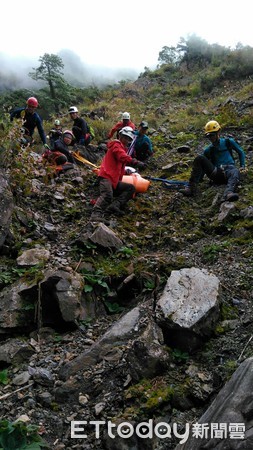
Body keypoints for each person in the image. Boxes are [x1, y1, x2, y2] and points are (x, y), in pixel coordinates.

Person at [179, 120, 246, 202]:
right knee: (200, 158)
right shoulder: (208, 150)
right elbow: (203, 166)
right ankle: (191, 187)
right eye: (208, 136)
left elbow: (241, 152)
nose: (210, 138)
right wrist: (199, 178)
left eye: (212, 135)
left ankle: (228, 193)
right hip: (216, 172)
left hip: (230, 170)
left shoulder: (228, 142)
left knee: (235, 171)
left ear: (218, 132)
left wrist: (242, 166)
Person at [90, 126, 145, 223]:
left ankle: (115, 205)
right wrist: (134, 162)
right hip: (106, 177)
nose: (126, 140)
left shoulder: (122, 149)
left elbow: (119, 165)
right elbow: (121, 156)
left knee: (130, 188)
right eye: (125, 137)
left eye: (128, 139)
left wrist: (127, 172)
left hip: (114, 180)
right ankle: (95, 215)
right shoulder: (116, 145)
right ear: (120, 135)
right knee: (107, 194)